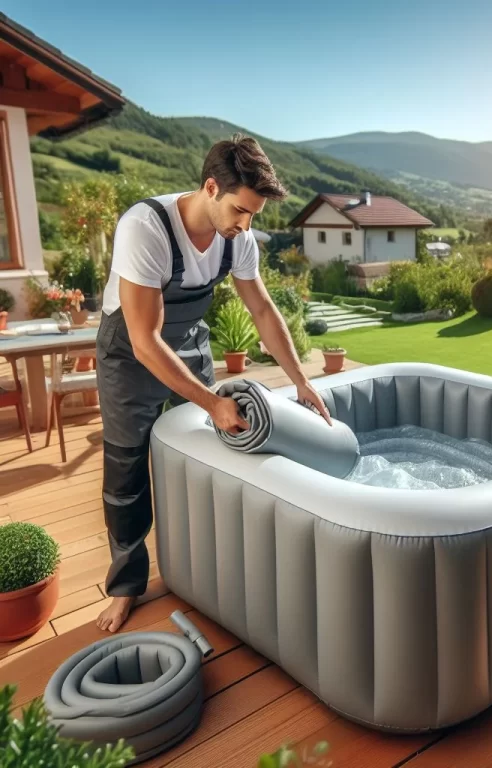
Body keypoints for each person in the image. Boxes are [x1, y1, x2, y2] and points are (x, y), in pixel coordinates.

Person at [94, 134, 331, 633]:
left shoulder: (237, 239)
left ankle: (205, 572)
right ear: (209, 188)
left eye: (254, 216)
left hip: (189, 339)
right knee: (126, 470)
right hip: (131, 347)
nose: (247, 225)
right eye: (241, 211)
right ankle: (126, 585)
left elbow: (262, 310)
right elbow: (144, 339)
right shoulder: (146, 228)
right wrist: (210, 400)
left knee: (211, 456)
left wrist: (301, 381)